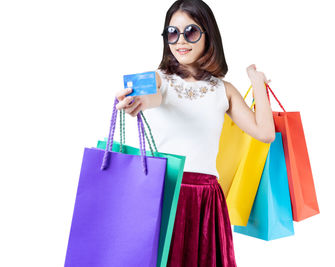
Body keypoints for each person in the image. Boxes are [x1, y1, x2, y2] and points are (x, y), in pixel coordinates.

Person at [115, 0, 275, 266]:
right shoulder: (159, 80)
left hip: (206, 199)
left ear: (207, 35)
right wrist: (132, 100)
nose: (180, 41)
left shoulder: (223, 89)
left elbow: (265, 132)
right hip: (164, 192)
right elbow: (144, 95)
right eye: (172, 33)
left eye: (190, 32)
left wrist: (257, 83)